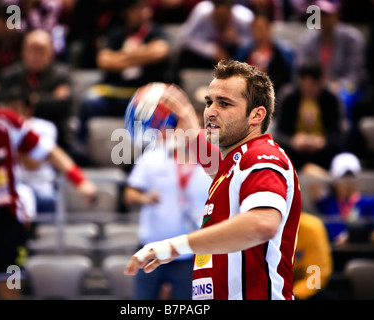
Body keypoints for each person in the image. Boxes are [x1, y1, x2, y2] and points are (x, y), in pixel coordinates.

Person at [125, 59, 301, 300]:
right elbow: (215, 164)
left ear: (256, 115)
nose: (211, 111)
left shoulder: (262, 156)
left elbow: (262, 224)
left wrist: (174, 246)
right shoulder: (234, 163)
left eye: (224, 103)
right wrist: (187, 119)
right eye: (209, 102)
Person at [0, 67, 97, 300]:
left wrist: (80, 181)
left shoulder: (7, 123)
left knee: (10, 289)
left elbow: (49, 151)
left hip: (7, 221)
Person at [123, 140, 212, 300]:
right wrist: (144, 198)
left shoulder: (213, 161)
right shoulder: (153, 157)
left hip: (191, 253)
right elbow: (129, 194)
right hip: (152, 248)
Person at [76, 0, 171, 144]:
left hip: (146, 94)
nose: (143, 12)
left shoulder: (157, 31)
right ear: (125, 12)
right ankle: (80, 146)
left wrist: (122, 57)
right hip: (115, 92)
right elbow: (104, 61)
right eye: (136, 9)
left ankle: (157, 151)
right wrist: (143, 55)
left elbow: (160, 51)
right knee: (89, 100)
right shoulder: (115, 33)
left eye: (145, 8)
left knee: (166, 109)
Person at [0, 29, 83, 165]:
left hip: (58, 138)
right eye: (31, 49)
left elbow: (63, 104)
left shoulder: (63, 74)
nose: (35, 55)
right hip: (17, 139)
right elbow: (3, 106)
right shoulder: (9, 75)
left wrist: (27, 100)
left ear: (51, 53)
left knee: (81, 158)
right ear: (23, 52)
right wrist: (44, 99)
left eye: (40, 50)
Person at [303, 152, 374, 245]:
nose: (348, 182)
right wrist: (332, 181)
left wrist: (351, 239)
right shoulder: (328, 202)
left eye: (351, 177)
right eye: (343, 177)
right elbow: (309, 170)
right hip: (334, 255)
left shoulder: (370, 201)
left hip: (361, 254)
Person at [273, 63, 343, 170]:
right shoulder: (289, 99)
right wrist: (292, 141)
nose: (309, 89)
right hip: (295, 154)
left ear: (321, 83)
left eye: (313, 85)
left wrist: (324, 142)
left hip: (324, 154)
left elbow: (338, 133)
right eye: (305, 85)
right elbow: (280, 133)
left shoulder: (331, 100)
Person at [176, 0, 254, 70]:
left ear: (231, 11)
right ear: (213, 9)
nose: (221, 20)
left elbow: (254, 41)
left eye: (224, 16)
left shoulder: (245, 18)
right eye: (218, 16)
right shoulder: (202, 11)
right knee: (185, 54)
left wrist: (237, 40)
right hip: (206, 54)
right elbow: (184, 37)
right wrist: (210, 50)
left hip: (233, 54)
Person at [234, 11, 294, 96]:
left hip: (273, 92)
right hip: (247, 91)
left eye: (261, 28)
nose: (258, 31)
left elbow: (287, 78)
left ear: (269, 29)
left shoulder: (282, 53)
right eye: (255, 27)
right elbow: (235, 73)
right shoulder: (243, 51)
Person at [293, 211, 333, 300]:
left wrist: (294, 294)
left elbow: (316, 276)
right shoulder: (263, 229)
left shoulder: (310, 228)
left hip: (302, 291)